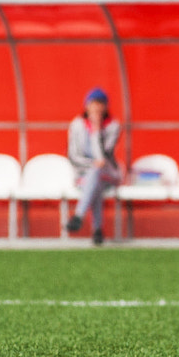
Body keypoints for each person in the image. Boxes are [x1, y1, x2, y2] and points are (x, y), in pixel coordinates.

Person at [66, 88, 121, 244]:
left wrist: (96, 130)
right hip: (85, 173)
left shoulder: (113, 126)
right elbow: (73, 156)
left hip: (107, 173)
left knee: (96, 174)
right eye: (93, 103)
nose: (96, 107)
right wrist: (92, 166)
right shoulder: (77, 125)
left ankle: (79, 215)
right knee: (94, 179)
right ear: (86, 105)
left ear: (105, 106)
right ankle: (97, 230)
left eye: (100, 103)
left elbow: (103, 157)